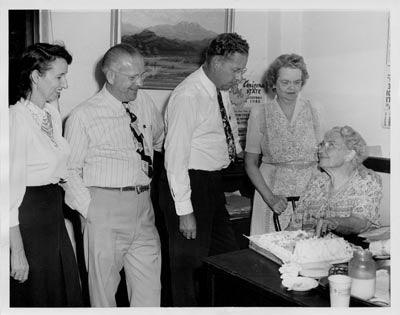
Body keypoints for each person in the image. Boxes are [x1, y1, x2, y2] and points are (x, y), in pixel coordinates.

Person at [62, 44, 164, 307]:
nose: (140, 83)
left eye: (142, 75)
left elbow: (157, 138)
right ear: (110, 76)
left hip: (143, 208)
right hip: (104, 210)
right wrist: (89, 211)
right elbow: (68, 171)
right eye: (133, 77)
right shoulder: (83, 116)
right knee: (104, 294)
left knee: (150, 290)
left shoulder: (144, 103)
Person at [161, 32, 248, 306]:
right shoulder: (188, 95)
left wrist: (236, 104)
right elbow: (175, 157)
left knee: (225, 256)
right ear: (216, 61)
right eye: (236, 70)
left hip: (211, 182)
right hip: (188, 183)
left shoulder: (218, 90)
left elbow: (221, 132)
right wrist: (184, 211)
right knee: (188, 267)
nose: (238, 76)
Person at [9, 43, 83, 307]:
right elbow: (7, 195)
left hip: (52, 211)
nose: (65, 84)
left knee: (60, 291)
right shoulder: (15, 120)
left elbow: (61, 172)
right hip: (27, 216)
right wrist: (16, 252)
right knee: (36, 295)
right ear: (35, 76)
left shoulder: (50, 113)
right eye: (59, 76)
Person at [245, 53, 322, 235]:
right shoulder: (259, 113)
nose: (291, 88)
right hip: (273, 192)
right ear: (273, 82)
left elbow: (322, 156)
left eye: (296, 82)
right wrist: (270, 198)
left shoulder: (313, 110)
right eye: (285, 82)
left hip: (308, 192)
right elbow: (250, 163)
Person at [288, 126, 382, 237]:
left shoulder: (366, 182)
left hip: (349, 250)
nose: (321, 150)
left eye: (330, 145)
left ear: (350, 154)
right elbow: (294, 226)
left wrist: (334, 222)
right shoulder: (317, 182)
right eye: (322, 144)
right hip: (310, 249)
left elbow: (359, 222)